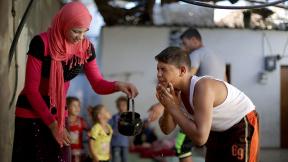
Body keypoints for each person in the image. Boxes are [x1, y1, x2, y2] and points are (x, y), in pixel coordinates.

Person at [12, 2, 138, 162]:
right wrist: (52, 125)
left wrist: (118, 85)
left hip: (58, 113)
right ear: (64, 24)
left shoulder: (86, 49)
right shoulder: (41, 44)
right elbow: (31, 89)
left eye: (84, 32)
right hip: (31, 112)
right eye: (76, 31)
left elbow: (98, 83)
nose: (80, 37)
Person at [154, 47, 259, 162]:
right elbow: (166, 130)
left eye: (163, 69)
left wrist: (172, 108)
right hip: (216, 129)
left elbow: (200, 139)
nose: (159, 74)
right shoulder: (174, 92)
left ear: (182, 71)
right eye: (158, 69)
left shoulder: (203, 87)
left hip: (240, 123)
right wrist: (168, 108)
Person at [149, 27, 227, 162]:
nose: (183, 48)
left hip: (202, 107)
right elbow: (226, 82)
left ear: (194, 40)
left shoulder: (197, 54)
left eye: (184, 43)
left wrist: (161, 105)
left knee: (181, 146)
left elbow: (185, 79)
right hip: (217, 110)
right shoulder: (217, 56)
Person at [67, 96, 89, 162]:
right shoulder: (64, 122)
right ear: (67, 107)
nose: (77, 108)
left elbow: (89, 133)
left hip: (79, 152)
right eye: (74, 106)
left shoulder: (81, 121)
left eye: (78, 106)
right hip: (67, 152)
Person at [108, 96, 129, 162]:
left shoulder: (129, 117)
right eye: (120, 105)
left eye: (124, 105)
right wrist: (113, 132)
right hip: (115, 143)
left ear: (127, 106)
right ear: (117, 106)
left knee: (125, 159)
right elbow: (108, 128)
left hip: (125, 143)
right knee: (115, 159)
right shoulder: (114, 117)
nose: (122, 107)